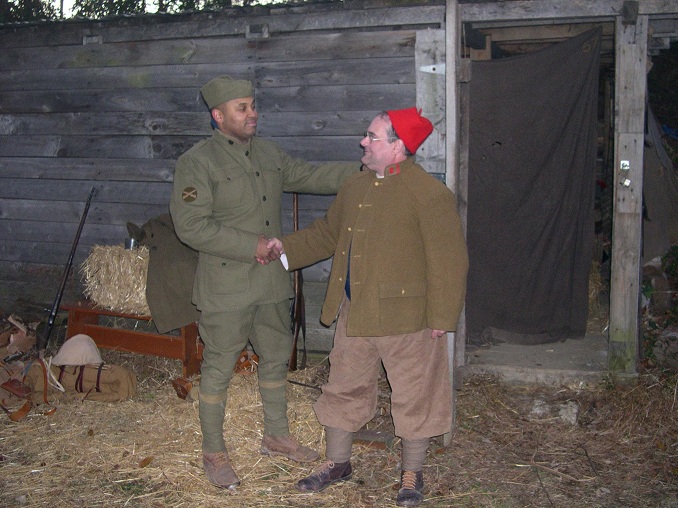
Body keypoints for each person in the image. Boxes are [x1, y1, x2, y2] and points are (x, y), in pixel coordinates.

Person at [266, 108, 469, 507]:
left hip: (409, 320)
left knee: (415, 395)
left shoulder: (429, 194)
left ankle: (411, 473)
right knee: (343, 387)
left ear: (398, 147)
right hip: (354, 312)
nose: (363, 142)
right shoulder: (355, 188)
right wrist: (282, 248)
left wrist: (442, 318)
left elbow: (449, 259)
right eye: (366, 135)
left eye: (372, 137)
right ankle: (338, 464)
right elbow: (327, 233)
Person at [169, 75, 360, 489]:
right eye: (242, 107)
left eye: (253, 105)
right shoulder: (197, 162)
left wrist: (367, 169)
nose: (252, 113)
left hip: (271, 283)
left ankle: (276, 435)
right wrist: (250, 243)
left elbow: (312, 176)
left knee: (275, 358)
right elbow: (191, 227)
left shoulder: (269, 153)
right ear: (218, 115)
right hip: (226, 286)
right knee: (218, 367)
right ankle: (214, 451)